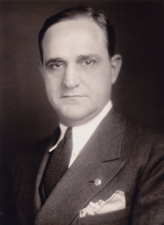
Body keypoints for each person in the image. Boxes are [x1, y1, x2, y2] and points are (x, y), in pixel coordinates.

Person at [11, 6, 164, 225]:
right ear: (43, 73)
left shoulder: (155, 156)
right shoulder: (23, 162)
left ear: (113, 69)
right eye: (56, 64)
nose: (70, 81)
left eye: (87, 62)